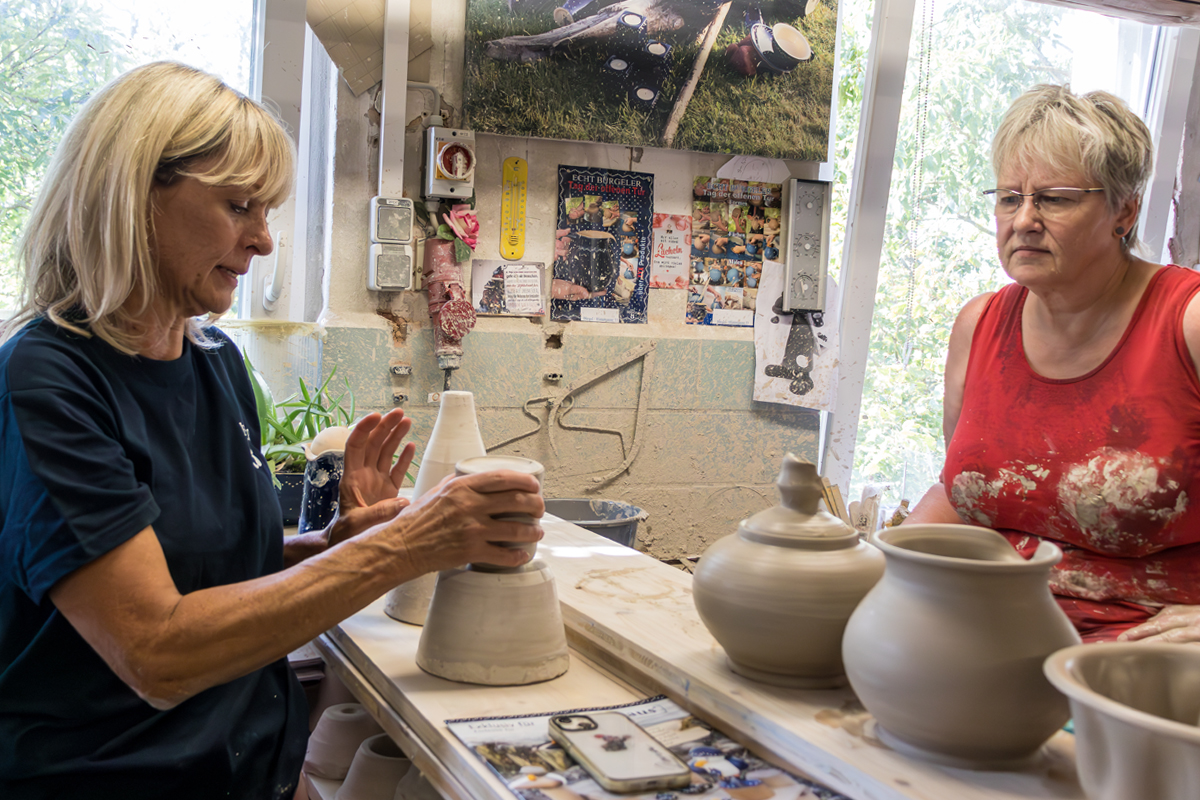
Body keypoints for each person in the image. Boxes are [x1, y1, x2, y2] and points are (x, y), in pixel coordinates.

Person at [0, 62, 543, 798]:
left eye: (269, 212)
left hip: (250, 767)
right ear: (132, 195)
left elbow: (204, 568)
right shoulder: (50, 380)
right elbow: (155, 650)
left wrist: (331, 546)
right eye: (238, 205)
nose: (263, 242)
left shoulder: (213, 361)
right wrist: (405, 544)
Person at [905, 84, 1200, 645]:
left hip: (1144, 656)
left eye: (1056, 199)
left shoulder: (1188, 322)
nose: (1024, 220)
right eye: (1009, 198)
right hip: (992, 632)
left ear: (1125, 209)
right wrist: (885, 562)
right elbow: (963, 489)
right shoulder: (979, 324)